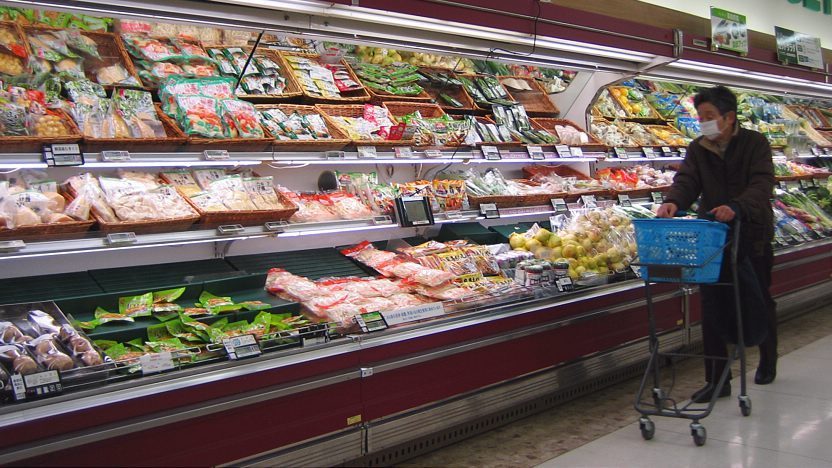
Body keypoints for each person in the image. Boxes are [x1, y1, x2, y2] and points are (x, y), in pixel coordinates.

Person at [656, 85, 778, 403]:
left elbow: (762, 183)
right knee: (711, 305)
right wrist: (673, 201)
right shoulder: (698, 148)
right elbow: (688, 180)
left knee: (758, 297)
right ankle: (716, 380)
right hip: (712, 233)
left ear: (729, 117)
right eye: (700, 117)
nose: (703, 123)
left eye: (709, 116)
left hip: (751, 232)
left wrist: (737, 206)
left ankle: (768, 359)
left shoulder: (754, 143)